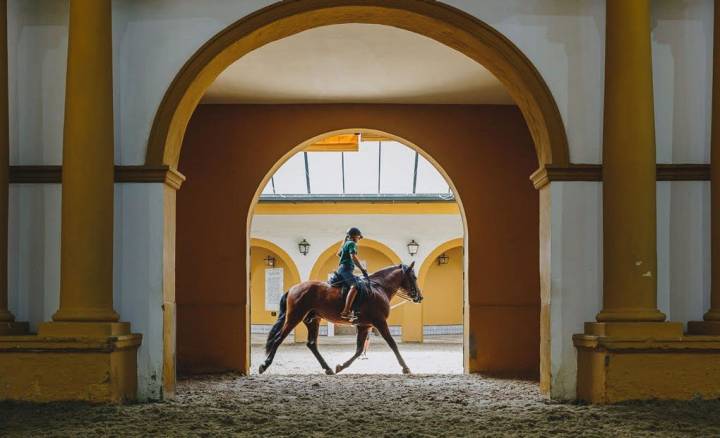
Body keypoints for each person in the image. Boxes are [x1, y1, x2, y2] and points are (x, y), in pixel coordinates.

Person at [338, 227, 370, 321]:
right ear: (355, 236)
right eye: (359, 237)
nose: (359, 239)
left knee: (359, 283)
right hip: (346, 269)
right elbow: (353, 257)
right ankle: (346, 311)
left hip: (344, 269)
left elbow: (340, 254)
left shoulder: (346, 243)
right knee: (355, 286)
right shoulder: (352, 243)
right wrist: (362, 269)